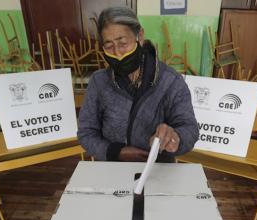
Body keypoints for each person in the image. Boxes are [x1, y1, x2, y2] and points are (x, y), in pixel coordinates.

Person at [77, 6, 199, 162]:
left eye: (123, 43)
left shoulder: (170, 81)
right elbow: (86, 133)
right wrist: (116, 152)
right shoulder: (99, 81)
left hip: (157, 169)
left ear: (139, 36)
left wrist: (175, 137)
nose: (118, 53)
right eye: (109, 46)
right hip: (112, 168)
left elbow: (189, 128)